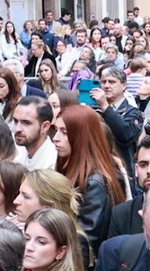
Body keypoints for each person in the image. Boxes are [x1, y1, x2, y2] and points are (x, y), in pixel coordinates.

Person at [53, 103, 128, 253]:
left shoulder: (94, 182)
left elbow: (85, 241)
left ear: (81, 136)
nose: (55, 138)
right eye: (56, 130)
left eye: (64, 132)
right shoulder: (70, 168)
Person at [13, 100, 58, 172]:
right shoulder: (20, 156)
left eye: (26, 123)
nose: (17, 129)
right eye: (15, 121)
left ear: (45, 127)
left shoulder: (52, 164)